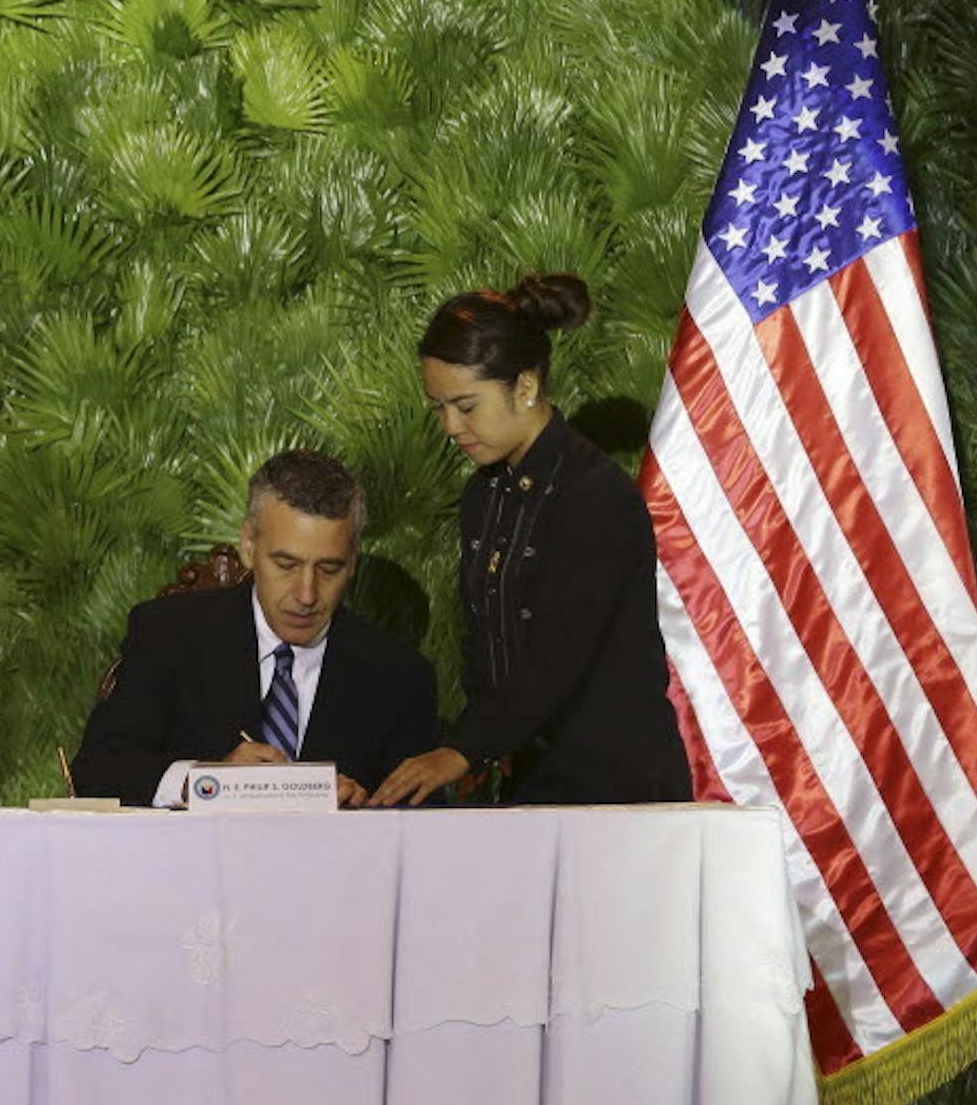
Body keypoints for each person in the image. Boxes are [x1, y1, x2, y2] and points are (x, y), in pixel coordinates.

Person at [371, 273, 693, 807]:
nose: (451, 425)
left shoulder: (595, 495)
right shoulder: (483, 496)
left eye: (466, 406)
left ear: (524, 386)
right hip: (529, 781)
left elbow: (556, 655)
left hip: (616, 787)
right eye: (440, 408)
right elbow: (484, 647)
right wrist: (480, 752)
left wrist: (463, 750)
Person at [70, 450, 437, 807]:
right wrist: (207, 781)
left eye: (328, 569)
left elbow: (424, 831)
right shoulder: (169, 634)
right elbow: (98, 771)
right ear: (248, 545)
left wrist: (362, 810)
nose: (306, 595)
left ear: (353, 563)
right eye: (286, 565)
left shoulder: (399, 676)